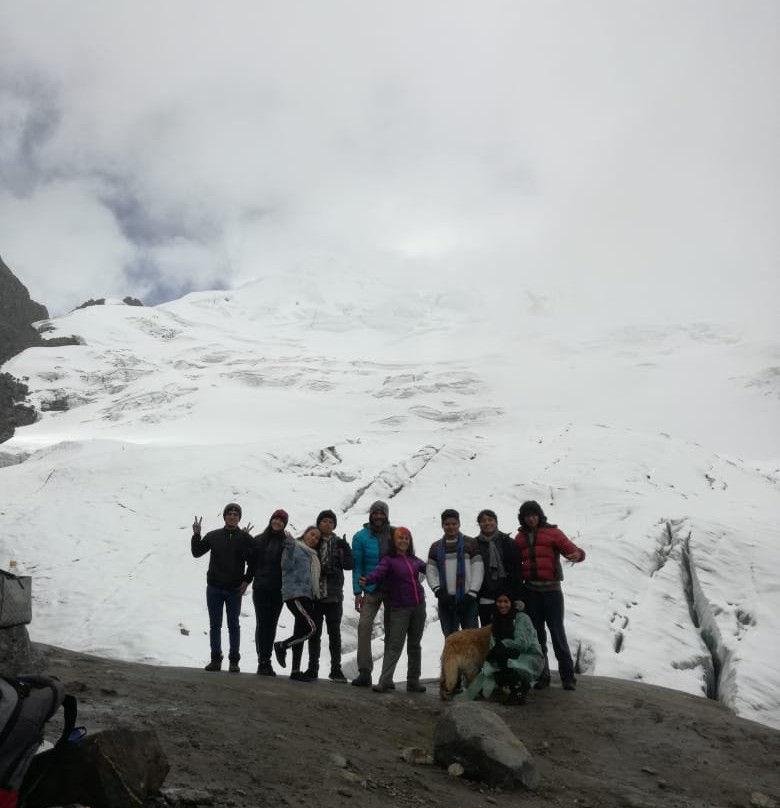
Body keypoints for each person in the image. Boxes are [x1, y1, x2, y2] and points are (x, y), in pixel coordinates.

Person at [514, 500, 586, 691]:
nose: (531, 518)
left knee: (557, 633)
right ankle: (542, 676)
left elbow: (573, 550)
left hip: (552, 591)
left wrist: (577, 555)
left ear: (539, 515)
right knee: (537, 636)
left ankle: (568, 677)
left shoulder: (553, 533)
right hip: (531, 592)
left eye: (533, 514)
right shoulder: (519, 539)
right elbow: (514, 563)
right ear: (523, 518)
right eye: (527, 515)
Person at [359, 527, 427, 694]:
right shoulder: (389, 560)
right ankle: (385, 681)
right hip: (400, 608)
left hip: (419, 606)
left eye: (406, 538)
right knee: (395, 646)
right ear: (394, 541)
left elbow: (430, 569)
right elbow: (378, 572)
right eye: (400, 538)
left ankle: (413, 681)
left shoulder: (415, 560)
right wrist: (367, 580)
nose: (403, 540)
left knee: (414, 645)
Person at [190, 502, 252, 672]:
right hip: (214, 588)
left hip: (234, 590)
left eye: (235, 514)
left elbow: (253, 562)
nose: (232, 517)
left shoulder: (245, 538)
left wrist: (246, 580)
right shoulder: (213, 536)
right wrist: (196, 534)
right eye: (229, 514)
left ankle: (234, 661)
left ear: (239, 518)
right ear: (224, 516)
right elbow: (197, 552)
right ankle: (216, 659)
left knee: (234, 625)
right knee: (215, 625)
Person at [463, 591, 545, 705]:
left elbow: (523, 643)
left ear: (511, 603)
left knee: (501, 656)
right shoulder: (497, 620)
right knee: (494, 666)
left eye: (506, 601)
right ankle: (513, 686)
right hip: (511, 655)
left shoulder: (521, 618)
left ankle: (520, 689)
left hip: (529, 657)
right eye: (499, 601)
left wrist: (503, 645)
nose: (502, 605)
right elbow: (493, 644)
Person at [304, 509, 353, 682]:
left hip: (334, 596)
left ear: (334, 525)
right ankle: (312, 668)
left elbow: (349, 565)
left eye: (330, 522)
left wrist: (346, 548)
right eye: (324, 521)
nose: (327, 524)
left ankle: (336, 670)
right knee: (314, 633)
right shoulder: (311, 541)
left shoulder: (339, 543)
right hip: (315, 596)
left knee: (334, 634)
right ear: (319, 523)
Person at [350, 500, 394, 687]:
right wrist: (357, 592)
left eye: (381, 513)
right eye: (375, 513)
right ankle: (365, 671)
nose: (378, 516)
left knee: (393, 632)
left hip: (393, 588)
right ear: (370, 515)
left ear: (386, 515)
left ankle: (387, 676)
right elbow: (357, 565)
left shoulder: (395, 534)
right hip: (370, 588)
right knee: (364, 626)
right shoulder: (360, 537)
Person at [426, 509, 484, 637]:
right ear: (442, 525)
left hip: (468, 600)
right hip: (446, 601)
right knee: (451, 640)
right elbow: (431, 571)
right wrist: (439, 591)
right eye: (447, 524)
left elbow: (478, 569)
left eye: (454, 523)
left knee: (472, 639)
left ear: (459, 524)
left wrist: (472, 593)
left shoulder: (471, 543)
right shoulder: (435, 547)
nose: (451, 527)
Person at [274, 526, 322, 682]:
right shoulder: (293, 546)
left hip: (307, 596)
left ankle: (295, 671)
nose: (314, 539)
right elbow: (285, 566)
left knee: (300, 631)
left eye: (317, 538)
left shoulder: (312, 555)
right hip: (295, 594)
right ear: (305, 533)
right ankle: (282, 646)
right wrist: (288, 547)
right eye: (312, 534)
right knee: (311, 628)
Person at [246, 509, 290, 676]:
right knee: (262, 624)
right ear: (271, 520)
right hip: (261, 588)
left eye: (281, 520)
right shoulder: (258, 540)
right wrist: (246, 581)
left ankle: (267, 660)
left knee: (271, 625)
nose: (277, 522)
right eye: (275, 519)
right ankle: (262, 661)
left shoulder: (287, 542)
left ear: (284, 524)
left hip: (278, 590)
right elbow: (250, 563)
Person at [474, 509, 521, 626]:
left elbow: (516, 570)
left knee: (507, 631)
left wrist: (517, 596)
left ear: (496, 522)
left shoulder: (508, 542)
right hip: (485, 596)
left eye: (490, 520)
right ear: (479, 524)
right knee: (487, 632)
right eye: (483, 521)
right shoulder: (474, 544)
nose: (487, 523)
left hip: (506, 597)